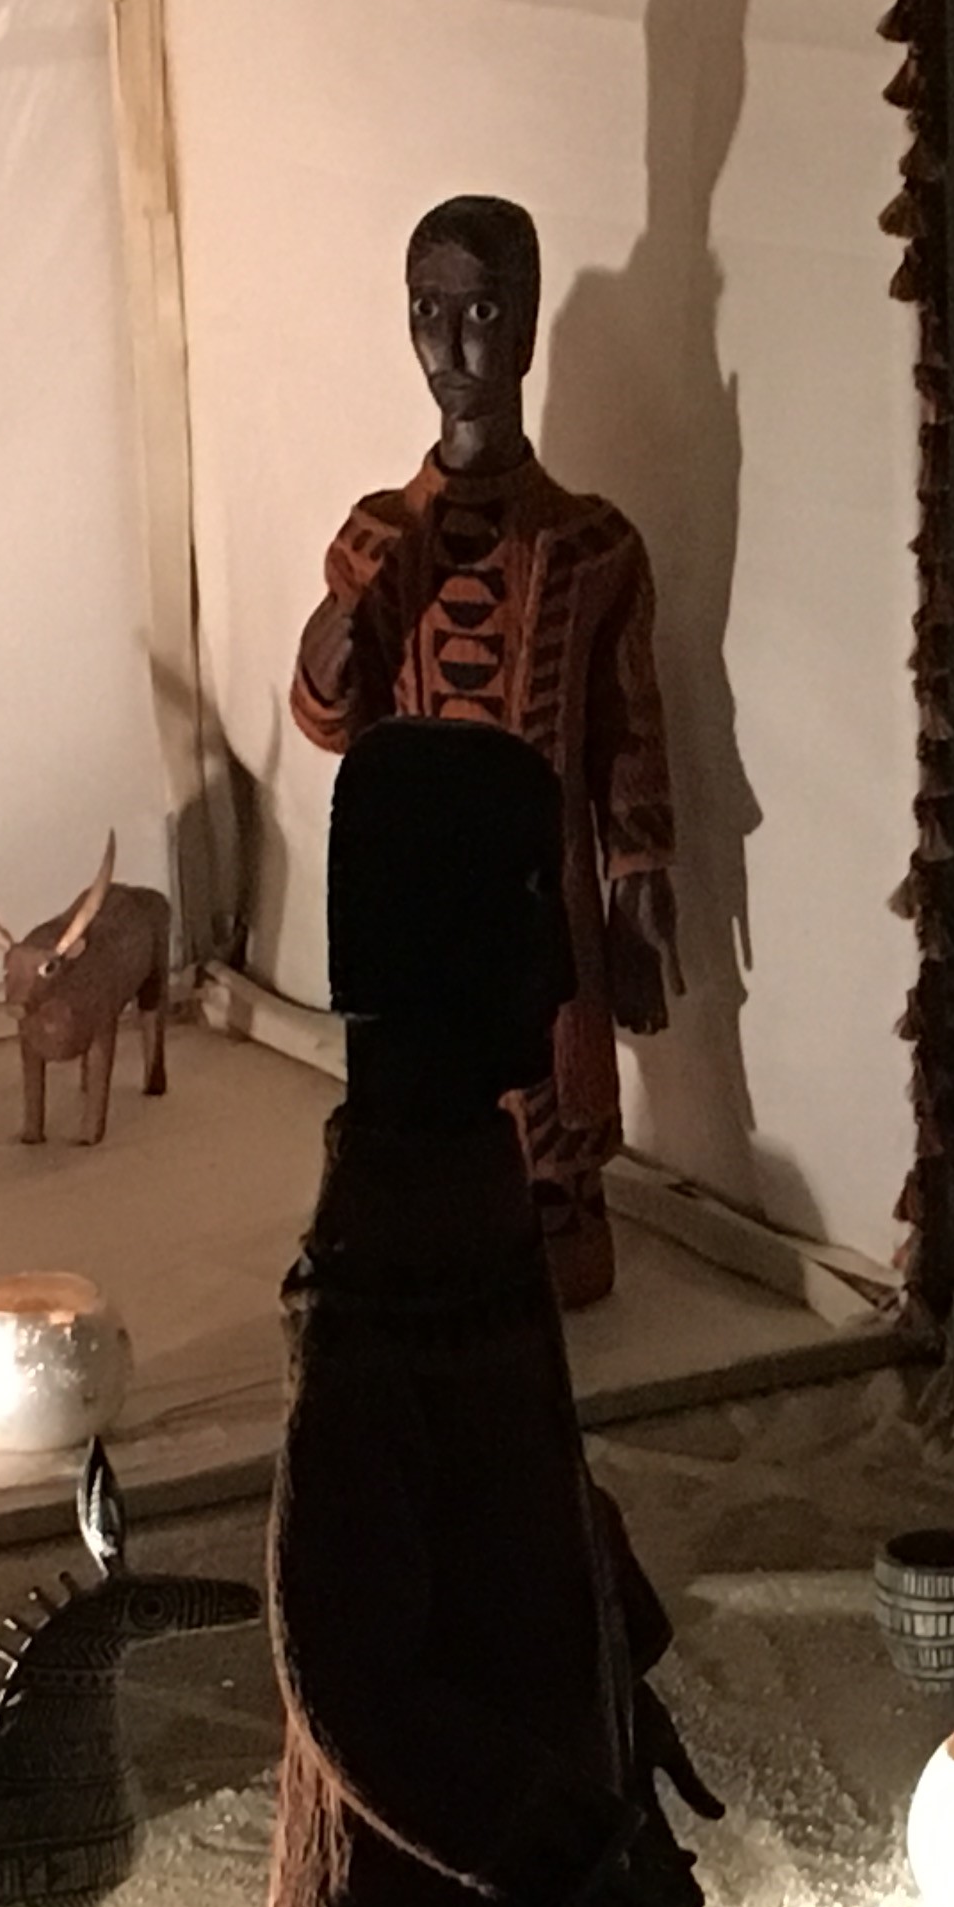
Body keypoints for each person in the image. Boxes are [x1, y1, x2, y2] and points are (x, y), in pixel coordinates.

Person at [250, 715, 726, 1907]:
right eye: (525, 907)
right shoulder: (373, 1293)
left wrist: (618, 1641)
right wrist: (554, 1834)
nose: (557, 959)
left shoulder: (450, 1215)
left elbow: (527, 1466)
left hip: (519, 1872)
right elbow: (350, 1660)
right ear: (439, 947)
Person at [289, 194, 680, 1307]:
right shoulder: (377, 535)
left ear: (525, 326)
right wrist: (340, 609)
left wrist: (642, 878)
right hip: (413, 895)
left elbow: (629, 728)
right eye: (428, 309)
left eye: (482, 309)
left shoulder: (593, 543)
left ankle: (552, 1235)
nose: (453, 344)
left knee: (548, 1074)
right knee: (425, 1099)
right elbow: (323, 720)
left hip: (538, 880)